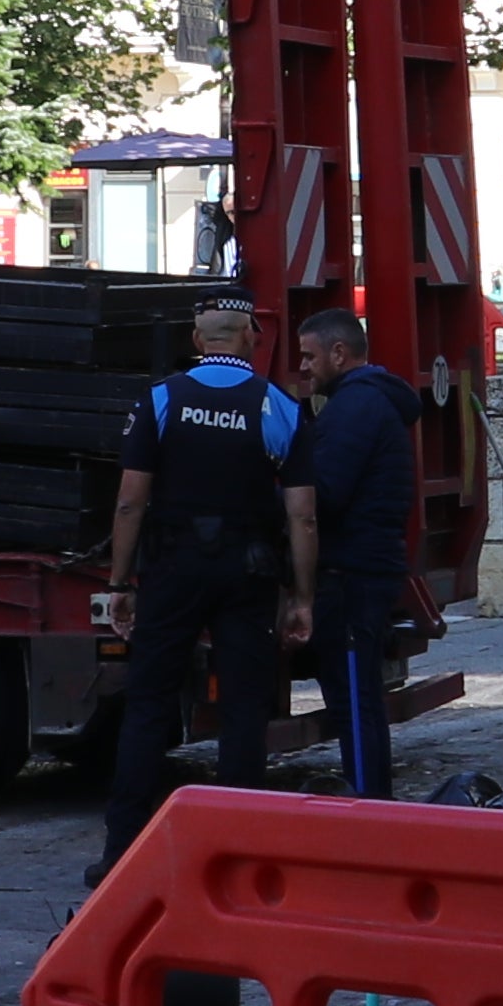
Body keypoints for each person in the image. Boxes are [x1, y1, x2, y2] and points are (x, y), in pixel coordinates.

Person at [96, 297, 311, 870]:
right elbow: (302, 516)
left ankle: (121, 851)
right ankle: (235, 849)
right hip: (249, 573)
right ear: (251, 337)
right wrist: (302, 597)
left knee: (148, 705)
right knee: (244, 709)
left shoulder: (162, 400)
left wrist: (121, 582)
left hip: (171, 572)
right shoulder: (278, 405)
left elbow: (129, 501)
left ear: (197, 340)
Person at [288, 307, 418, 798]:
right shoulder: (365, 402)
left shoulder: (353, 407)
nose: (303, 366)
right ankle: (369, 798)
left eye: (309, 355)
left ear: (339, 353)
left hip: (351, 571)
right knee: (355, 694)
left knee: (353, 699)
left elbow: (325, 490)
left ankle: (369, 804)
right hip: (366, 566)